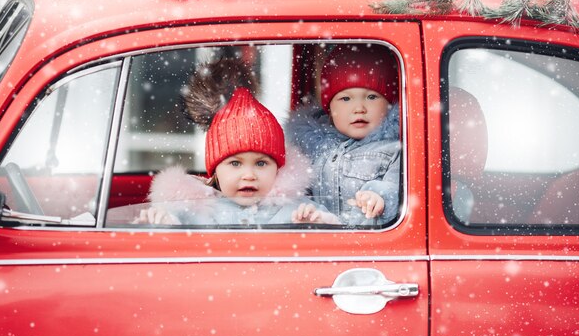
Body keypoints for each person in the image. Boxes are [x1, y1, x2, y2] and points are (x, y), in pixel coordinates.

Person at [139, 87, 340, 226]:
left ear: (278, 169)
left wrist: (317, 225)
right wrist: (161, 221)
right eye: (235, 163)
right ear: (216, 170)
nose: (249, 175)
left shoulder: (296, 209)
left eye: (261, 163)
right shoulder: (193, 210)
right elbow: (170, 239)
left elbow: (335, 230)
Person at [286, 44, 401, 226]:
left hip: (369, 246)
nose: (359, 108)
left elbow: (399, 188)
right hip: (320, 245)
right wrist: (307, 211)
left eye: (371, 97)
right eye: (345, 98)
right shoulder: (310, 148)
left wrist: (380, 196)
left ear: (389, 104)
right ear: (330, 110)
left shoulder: (395, 149)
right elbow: (294, 191)